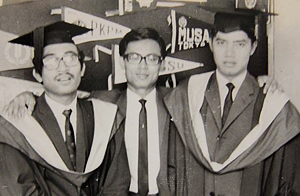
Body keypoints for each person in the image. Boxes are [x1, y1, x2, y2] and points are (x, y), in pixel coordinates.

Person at [165, 11, 300, 195]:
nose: (230, 53)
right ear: (211, 43)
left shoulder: (272, 105)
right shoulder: (187, 94)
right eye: (222, 42)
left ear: (253, 47)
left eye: (240, 44)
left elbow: (288, 181)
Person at [0, 21, 129, 196]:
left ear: (82, 69)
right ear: (38, 74)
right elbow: (19, 189)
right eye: (51, 61)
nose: (63, 68)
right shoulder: (18, 123)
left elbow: (117, 184)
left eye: (70, 58)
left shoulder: (105, 116)